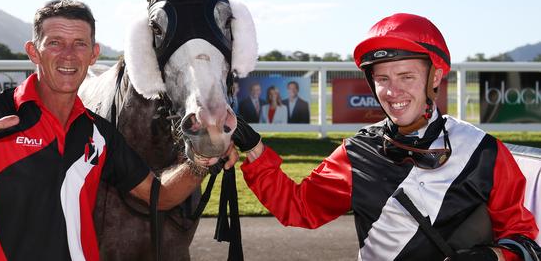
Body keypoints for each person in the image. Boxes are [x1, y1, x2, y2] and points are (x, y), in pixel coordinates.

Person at [0, 0, 236, 260]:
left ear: (93, 54)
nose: (68, 55)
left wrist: (201, 159)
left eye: (79, 44)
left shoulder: (98, 132)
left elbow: (160, 196)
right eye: (54, 42)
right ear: (34, 52)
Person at [231, 13, 541, 260]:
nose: (393, 92)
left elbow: (524, 241)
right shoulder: (355, 153)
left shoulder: (485, 152)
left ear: (435, 76)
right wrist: (255, 148)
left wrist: (489, 256)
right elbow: (298, 208)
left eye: (407, 76)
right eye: (382, 79)